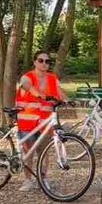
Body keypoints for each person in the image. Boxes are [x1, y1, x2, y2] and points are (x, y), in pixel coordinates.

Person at [14, 50, 70, 192]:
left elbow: (59, 91)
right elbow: (29, 87)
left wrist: (68, 100)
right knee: (28, 151)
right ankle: (28, 180)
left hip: (45, 121)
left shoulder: (52, 78)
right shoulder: (27, 77)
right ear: (35, 62)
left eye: (47, 61)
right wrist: (41, 95)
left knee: (44, 151)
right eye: (41, 60)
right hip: (27, 120)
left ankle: (43, 179)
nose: (44, 63)